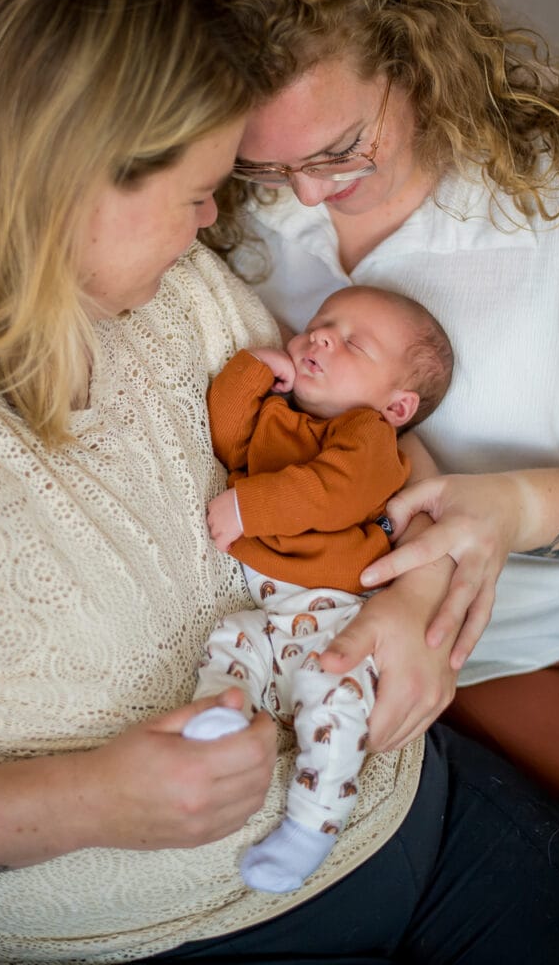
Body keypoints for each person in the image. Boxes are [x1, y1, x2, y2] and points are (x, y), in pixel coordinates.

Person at [0, 0, 559, 965]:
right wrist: (82, 799)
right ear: (77, 179)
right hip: (153, 930)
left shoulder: (177, 299)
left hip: (397, 810)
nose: (223, 219)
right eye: (201, 191)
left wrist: (401, 607)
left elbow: (373, 452)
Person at [173, 0, 559, 863]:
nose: (309, 191)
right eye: (264, 165)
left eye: (342, 147)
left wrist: (506, 510)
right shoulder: (237, 220)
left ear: (412, 59)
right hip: (485, 653)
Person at [184, 285, 452, 893]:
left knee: (331, 694)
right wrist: (254, 370)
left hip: (344, 617)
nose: (322, 336)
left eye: (353, 342)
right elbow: (227, 439)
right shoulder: (284, 414)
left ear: (398, 406)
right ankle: (219, 719)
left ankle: (312, 826)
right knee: (234, 641)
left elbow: (334, 494)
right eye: (320, 323)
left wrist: (250, 509)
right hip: (277, 614)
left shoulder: (370, 439)